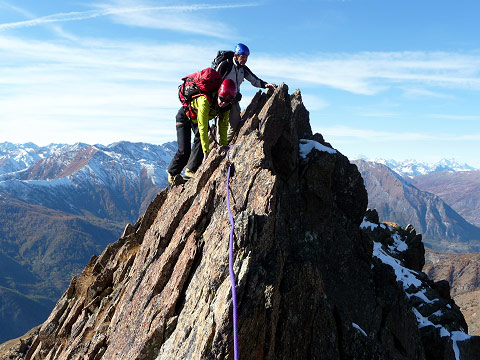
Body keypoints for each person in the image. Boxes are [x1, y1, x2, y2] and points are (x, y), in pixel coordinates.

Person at [167, 78, 237, 186]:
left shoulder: (226, 107)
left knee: (200, 139)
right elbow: (202, 126)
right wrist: (206, 152)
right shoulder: (205, 100)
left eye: (227, 101)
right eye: (222, 99)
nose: (223, 103)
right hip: (184, 116)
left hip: (196, 118)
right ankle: (172, 173)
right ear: (218, 93)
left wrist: (224, 146)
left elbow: (223, 126)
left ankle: (190, 170)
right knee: (184, 150)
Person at [215, 43, 276, 142]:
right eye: (243, 57)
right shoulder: (226, 64)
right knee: (221, 123)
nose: (245, 60)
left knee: (234, 123)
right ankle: (220, 145)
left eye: (246, 57)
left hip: (233, 100)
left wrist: (265, 85)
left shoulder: (243, 69)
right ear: (236, 55)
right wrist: (218, 98)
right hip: (221, 99)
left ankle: (225, 142)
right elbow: (215, 80)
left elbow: (254, 79)